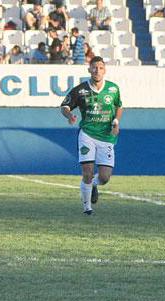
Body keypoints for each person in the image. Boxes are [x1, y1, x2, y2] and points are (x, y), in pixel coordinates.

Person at [60, 56, 123, 215]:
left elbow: (119, 106)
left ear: (104, 70)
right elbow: (64, 106)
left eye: (100, 68)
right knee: (87, 172)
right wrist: (69, 116)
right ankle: (87, 208)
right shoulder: (80, 90)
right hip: (87, 134)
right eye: (94, 68)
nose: (97, 71)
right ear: (89, 70)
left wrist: (116, 121)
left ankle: (94, 184)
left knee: (105, 177)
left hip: (107, 136)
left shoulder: (113, 89)